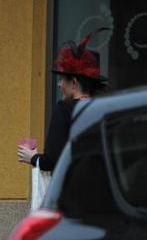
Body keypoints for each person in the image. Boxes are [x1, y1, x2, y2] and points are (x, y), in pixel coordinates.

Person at [17, 34, 108, 170]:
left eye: (62, 80)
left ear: (74, 83)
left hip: (75, 187)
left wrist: (32, 157)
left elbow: (52, 161)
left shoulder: (64, 109)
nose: (60, 85)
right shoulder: (105, 109)